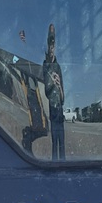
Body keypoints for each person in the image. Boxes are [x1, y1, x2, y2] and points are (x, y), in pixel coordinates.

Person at [41, 24, 65, 161]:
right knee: (54, 143)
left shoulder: (58, 67)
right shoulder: (45, 66)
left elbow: (62, 99)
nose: (52, 49)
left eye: (53, 46)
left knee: (62, 144)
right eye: (50, 45)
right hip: (52, 113)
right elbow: (46, 92)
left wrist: (59, 86)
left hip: (60, 114)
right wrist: (51, 84)